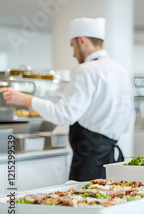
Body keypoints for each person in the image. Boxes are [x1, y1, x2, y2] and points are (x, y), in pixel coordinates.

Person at [2, 17, 134, 181]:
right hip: (111, 158)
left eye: (73, 46)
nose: (73, 53)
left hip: (88, 160)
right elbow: (128, 122)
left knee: (83, 201)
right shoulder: (120, 70)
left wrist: (26, 99)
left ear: (82, 40)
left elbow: (64, 114)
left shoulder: (85, 70)